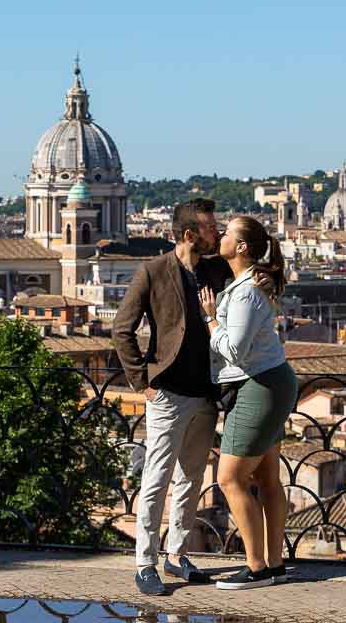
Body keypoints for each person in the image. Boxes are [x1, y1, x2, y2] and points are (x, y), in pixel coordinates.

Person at [113, 198, 233, 596]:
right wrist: (140, 382)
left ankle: (177, 555)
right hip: (167, 392)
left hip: (205, 392)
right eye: (210, 227)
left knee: (190, 478)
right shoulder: (152, 271)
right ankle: (145, 562)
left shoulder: (217, 269)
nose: (216, 231)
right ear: (188, 235)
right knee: (157, 478)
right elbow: (122, 329)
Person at [198, 215, 297, 590]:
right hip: (272, 382)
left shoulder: (247, 291)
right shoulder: (249, 283)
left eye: (226, 233)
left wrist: (210, 320)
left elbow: (235, 349)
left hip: (257, 386)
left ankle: (256, 567)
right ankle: (273, 563)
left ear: (240, 247)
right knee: (267, 479)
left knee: (229, 478)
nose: (219, 235)